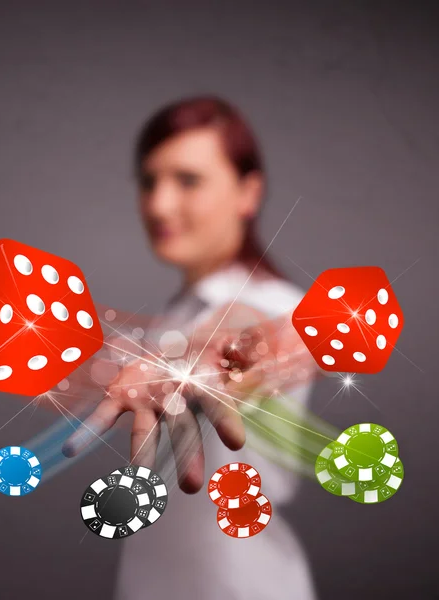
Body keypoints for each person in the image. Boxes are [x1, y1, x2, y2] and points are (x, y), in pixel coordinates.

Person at [63, 96, 318, 600]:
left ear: (249, 192)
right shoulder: (179, 311)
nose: (158, 204)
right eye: (149, 180)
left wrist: (208, 357)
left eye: (188, 180)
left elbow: (254, 337)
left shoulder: (280, 306)